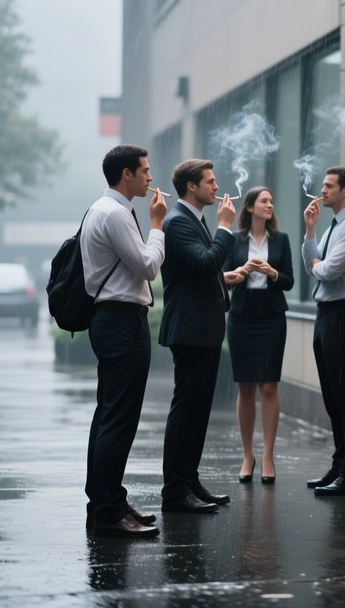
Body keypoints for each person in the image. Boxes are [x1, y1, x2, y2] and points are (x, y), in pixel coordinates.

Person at [81, 144, 167, 539]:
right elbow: (148, 266)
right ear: (126, 174)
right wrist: (157, 226)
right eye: (145, 171)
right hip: (120, 320)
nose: (151, 177)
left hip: (114, 319)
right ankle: (108, 510)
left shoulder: (104, 209)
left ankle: (105, 501)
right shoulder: (115, 213)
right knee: (118, 417)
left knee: (109, 415)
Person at [159, 159, 236, 514]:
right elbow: (205, 262)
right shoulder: (177, 221)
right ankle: (176, 489)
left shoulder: (192, 220)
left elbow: (202, 272)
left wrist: (226, 278)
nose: (216, 188)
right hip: (190, 331)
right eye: (210, 182)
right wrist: (224, 228)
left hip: (203, 329)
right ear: (191, 186)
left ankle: (189, 480)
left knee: (199, 410)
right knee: (187, 409)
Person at [302, 166, 345, 496]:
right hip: (326, 315)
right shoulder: (333, 225)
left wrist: (318, 266)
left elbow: (327, 270)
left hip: (344, 315)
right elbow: (311, 265)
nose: (322, 190)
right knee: (332, 396)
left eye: (329, 186)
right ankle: (340, 463)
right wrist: (310, 230)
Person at [223, 187, 294, 484]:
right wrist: (241, 270)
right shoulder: (235, 241)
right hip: (241, 316)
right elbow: (223, 277)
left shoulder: (282, 240)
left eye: (271, 201)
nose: (270, 205)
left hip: (272, 315)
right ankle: (248, 454)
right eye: (264, 201)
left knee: (268, 387)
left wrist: (272, 272)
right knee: (246, 387)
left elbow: (289, 280)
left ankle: (267, 455)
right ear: (250, 207)